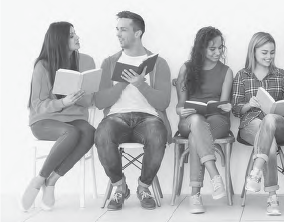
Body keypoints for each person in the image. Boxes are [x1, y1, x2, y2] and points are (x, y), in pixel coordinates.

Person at [94, 11, 171, 211]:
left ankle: (144, 187)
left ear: (138, 33)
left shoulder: (158, 63)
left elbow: (163, 103)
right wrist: (120, 84)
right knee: (102, 135)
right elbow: (100, 101)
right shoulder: (109, 63)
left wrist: (140, 84)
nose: (118, 34)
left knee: (157, 134)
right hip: (116, 117)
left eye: (123, 30)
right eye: (117, 29)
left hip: (148, 118)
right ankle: (120, 187)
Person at [22, 22, 96, 211]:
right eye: (71, 35)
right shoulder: (43, 65)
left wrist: (78, 96)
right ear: (59, 40)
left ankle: (51, 181)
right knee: (70, 133)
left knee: (89, 132)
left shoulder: (86, 61)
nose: (77, 37)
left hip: (75, 118)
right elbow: (38, 105)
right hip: (44, 120)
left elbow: (88, 102)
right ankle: (39, 180)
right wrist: (63, 102)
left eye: (75, 33)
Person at [231, 32, 284, 216]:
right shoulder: (242, 76)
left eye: (272, 52)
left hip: (280, 125)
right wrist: (248, 105)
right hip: (250, 125)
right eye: (264, 52)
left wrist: (281, 107)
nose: (269, 57)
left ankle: (256, 170)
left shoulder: (280, 74)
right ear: (254, 52)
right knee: (270, 144)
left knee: (269, 119)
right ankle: (272, 198)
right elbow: (235, 109)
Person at [175, 26, 233, 214]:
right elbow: (180, 105)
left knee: (195, 137)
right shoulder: (187, 68)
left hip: (217, 121)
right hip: (190, 121)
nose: (218, 52)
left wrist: (227, 106)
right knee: (196, 122)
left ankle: (195, 195)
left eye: (220, 48)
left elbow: (224, 105)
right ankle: (214, 174)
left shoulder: (226, 72)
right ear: (201, 48)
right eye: (212, 48)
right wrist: (181, 111)